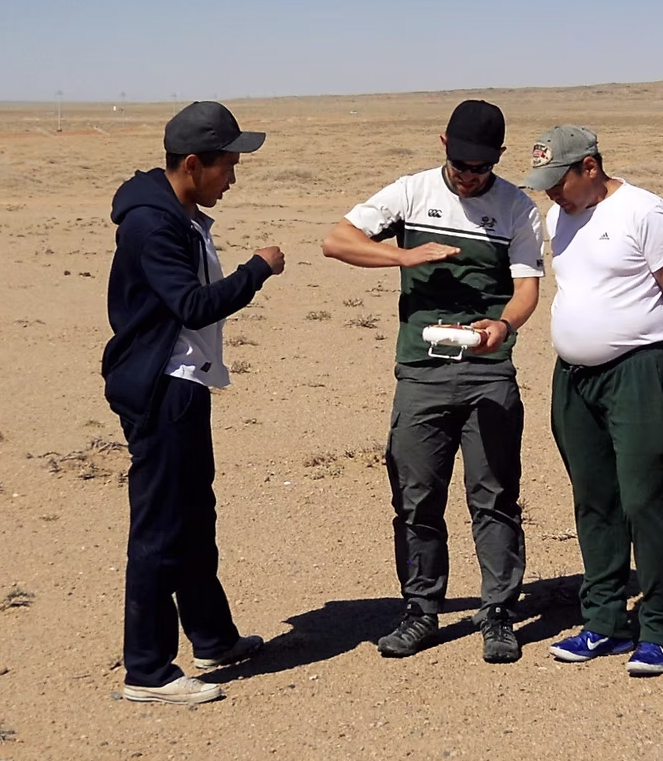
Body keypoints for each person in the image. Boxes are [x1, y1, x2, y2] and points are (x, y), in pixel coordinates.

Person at [322, 101, 543, 662]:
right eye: (462, 164)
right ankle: (421, 610)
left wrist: (503, 326)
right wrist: (403, 256)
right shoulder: (411, 192)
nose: (470, 177)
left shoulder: (517, 207)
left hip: (489, 371)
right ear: (444, 144)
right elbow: (336, 241)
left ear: (498, 157)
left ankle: (498, 612)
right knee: (416, 498)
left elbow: (526, 289)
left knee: (494, 496)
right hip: (421, 372)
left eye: (482, 167)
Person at [102, 101, 286, 704]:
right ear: (191, 164)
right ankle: (147, 671)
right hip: (163, 386)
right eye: (227, 166)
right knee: (159, 527)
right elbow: (193, 305)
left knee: (194, 515)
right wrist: (256, 270)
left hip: (186, 380)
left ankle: (212, 637)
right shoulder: (154, 225)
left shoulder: (175, 214)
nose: (232, 177)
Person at [522, 125, 663, 677]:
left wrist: (625, 332)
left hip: (637, 375)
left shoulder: (644, 211)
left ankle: (662, 629)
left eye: (560, 181)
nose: (552, 192)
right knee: (594, 500)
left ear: (591, 167)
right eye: (545, 183)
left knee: (646, 500)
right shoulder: (559, 217)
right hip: (573, 380)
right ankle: (603, 621)